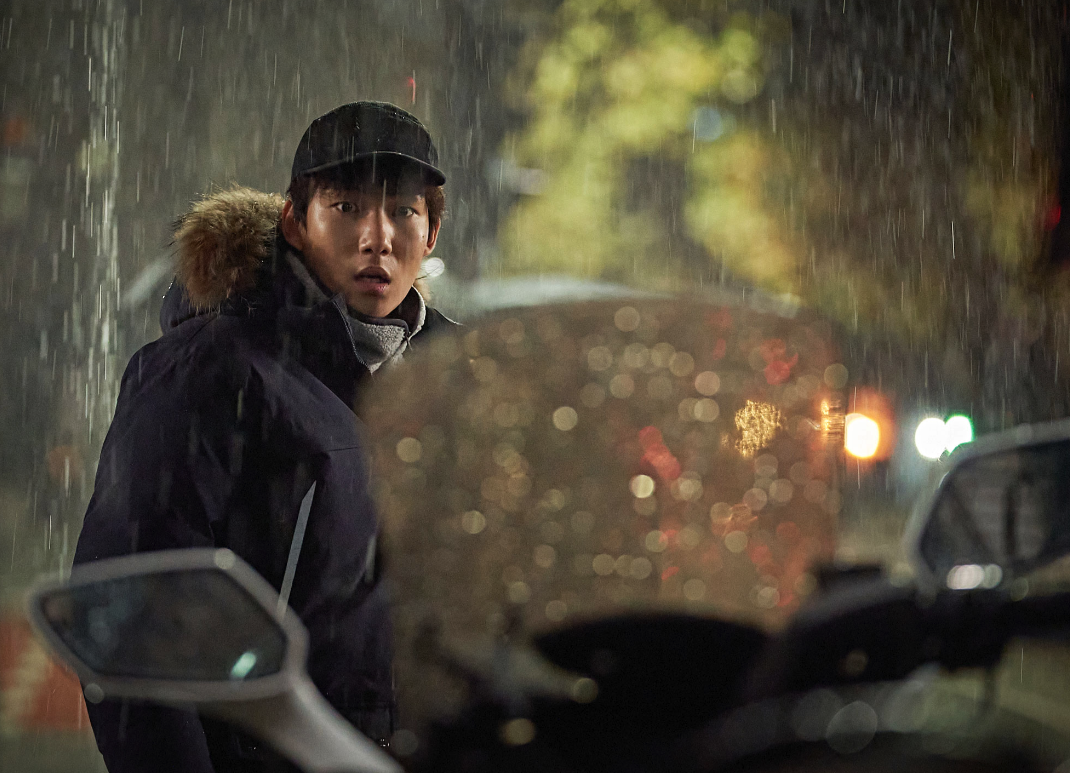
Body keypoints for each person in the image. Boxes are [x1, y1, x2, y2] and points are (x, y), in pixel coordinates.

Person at [73, 101, 456, 772]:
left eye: (402, 211)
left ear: (431, 232)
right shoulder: (211, 370)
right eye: (346, 207)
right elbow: (133, 608)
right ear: (295, 222)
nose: (377, 238)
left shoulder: (456, 380)